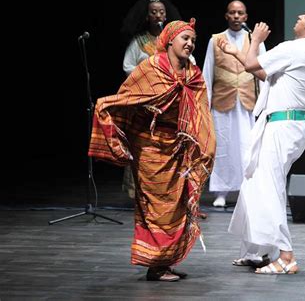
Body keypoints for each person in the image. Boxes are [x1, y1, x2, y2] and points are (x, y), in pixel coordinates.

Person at [88, 19, 216, 281]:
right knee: (156, 206)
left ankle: (165, 262)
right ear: (170, 41)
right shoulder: (151, 68)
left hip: (178, 149)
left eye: (193, 40)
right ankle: (155, 265)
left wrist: (202, 143)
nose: (190, 44)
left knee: (177, 206)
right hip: (151, 148)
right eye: (185, 39)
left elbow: (201, 110)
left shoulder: (193, 74)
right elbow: (127, 98)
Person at [218, 8, 305, 274]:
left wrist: (256, 40)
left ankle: (286, 256)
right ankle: (259, 250)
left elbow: (251, 66)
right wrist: (237, 52)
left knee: (270, 189)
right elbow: (265, 75)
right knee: (254, 183)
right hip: (286, 125)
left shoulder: (295, 48)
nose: (299, 17)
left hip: (283, 126)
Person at [120, 0, 195, 198]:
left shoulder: (173, 41)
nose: (158, 15)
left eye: (161, 12)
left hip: (170, 101)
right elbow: (128, 66)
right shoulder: (139, 41)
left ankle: (169, 189)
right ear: (147, 16)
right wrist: (147, 76)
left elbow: (192, 63)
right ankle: (140, 191)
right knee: (143, 144)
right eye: (153, 12)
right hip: (146, 100)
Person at [202, 0, 266, 208]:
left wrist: (265, 105)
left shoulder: (255, 40)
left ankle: (245, 190)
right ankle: (221, 192)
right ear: (226, 16)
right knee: (223, 146)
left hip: (248, 102)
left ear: (246, 17)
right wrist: (204, 105)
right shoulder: (215, 40)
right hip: (222, 101)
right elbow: (207, 74)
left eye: (240, 13)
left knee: (247, 147)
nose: (236, 16)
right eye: (232, 13)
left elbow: (265, 73)